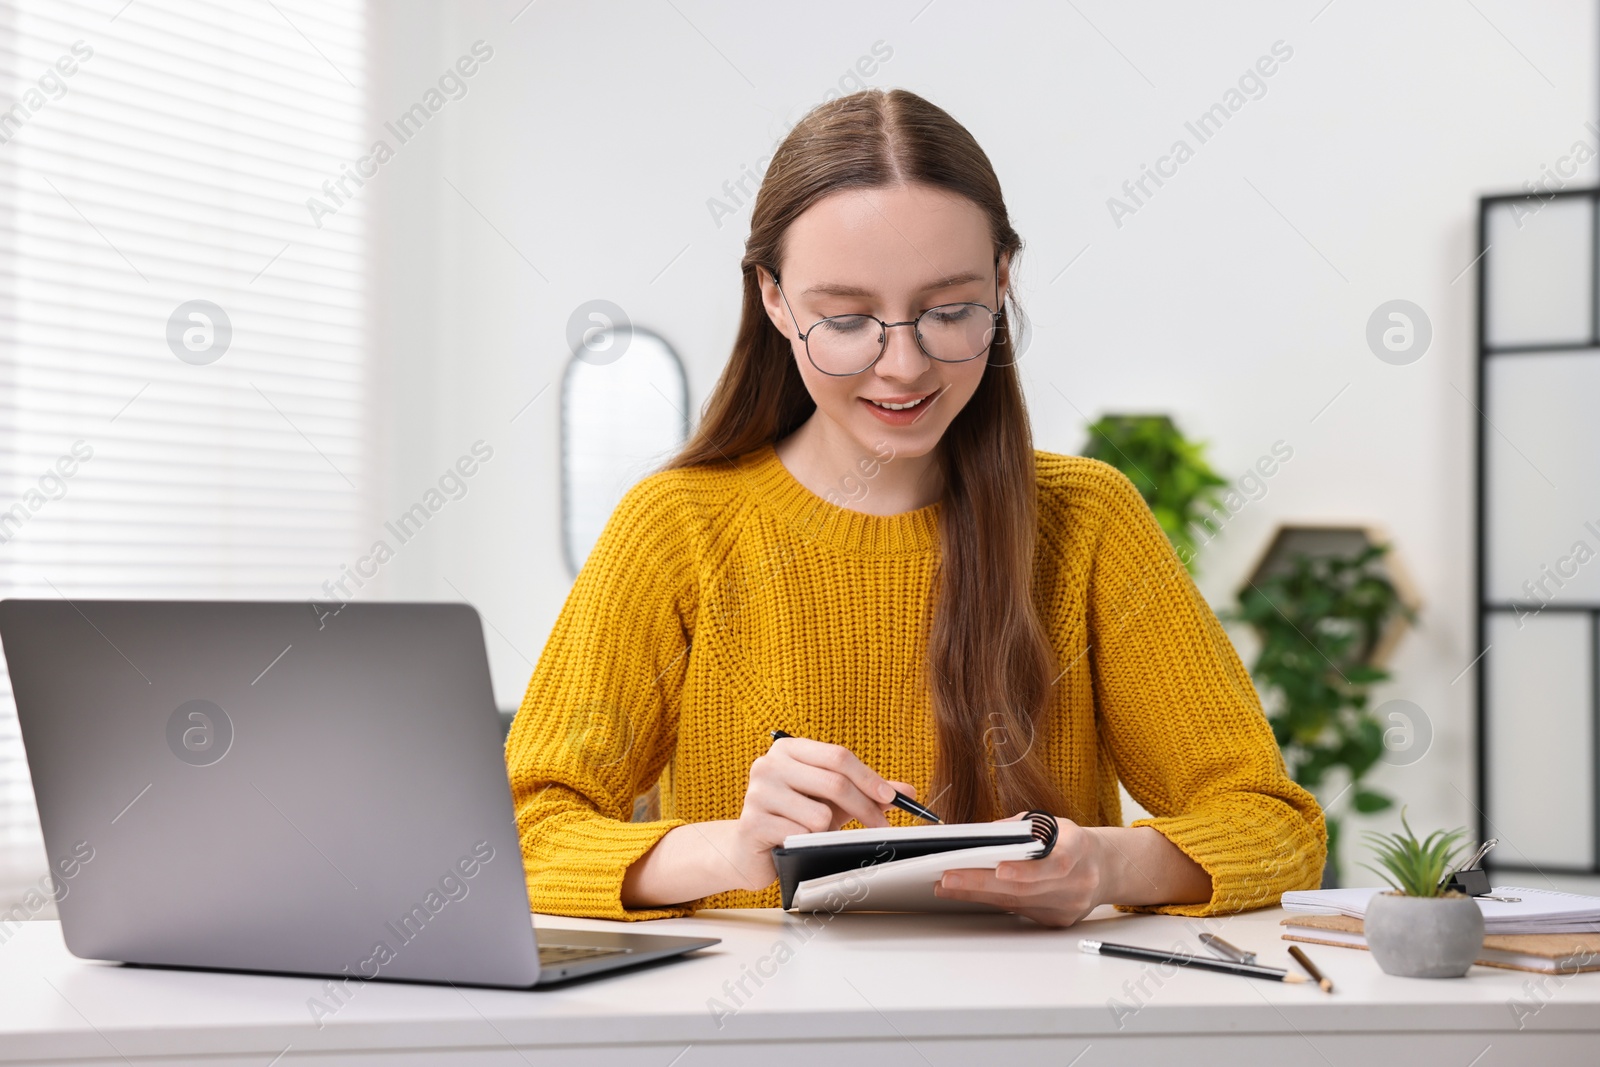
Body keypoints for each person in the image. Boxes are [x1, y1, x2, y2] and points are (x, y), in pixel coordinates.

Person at [505, 87, 1324, 927]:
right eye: (848, 317)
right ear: (775, 298)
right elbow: (519, 835)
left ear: (1002, 282)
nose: (903, 365)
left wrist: (1106, 863)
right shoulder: (676, 529)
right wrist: (730, 848)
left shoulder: (1089, 522)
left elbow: (1272, 823)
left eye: (948, 311)